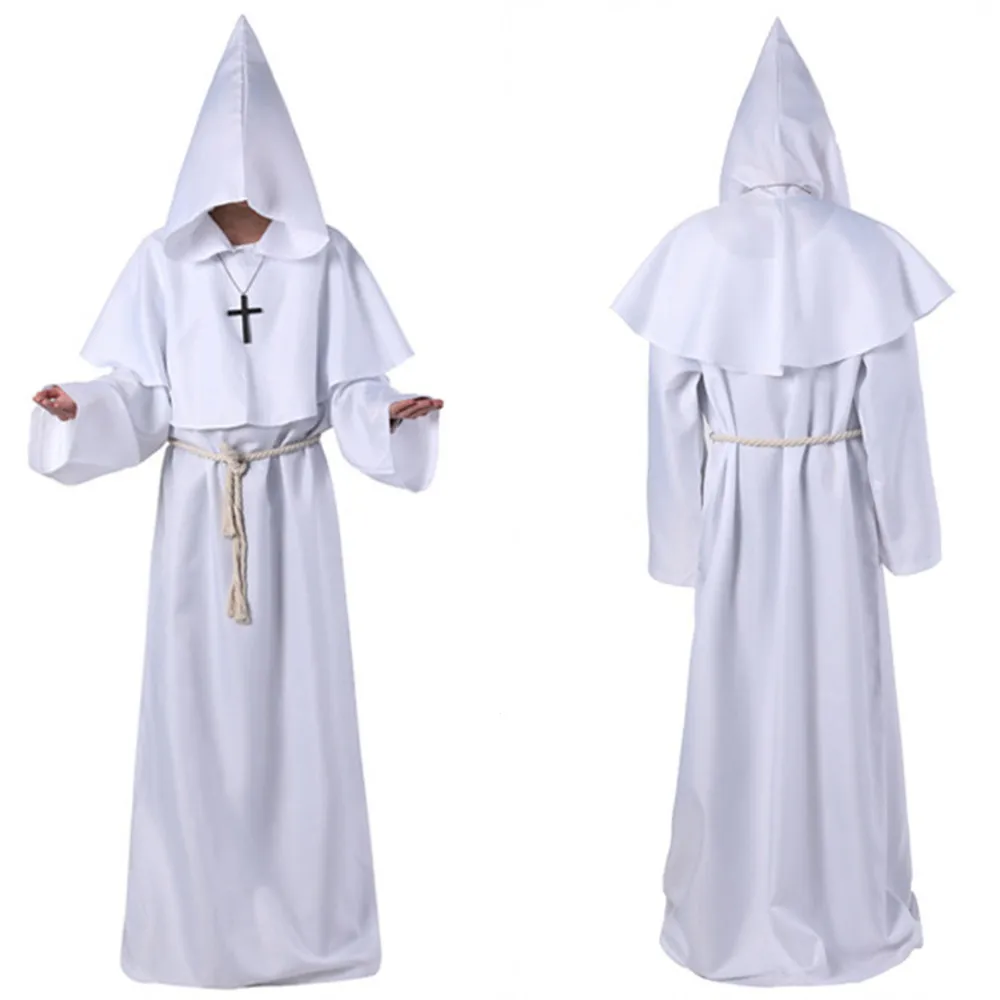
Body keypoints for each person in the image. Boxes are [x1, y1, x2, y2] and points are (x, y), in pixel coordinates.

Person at [29, 16, 440, 988]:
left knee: (302, 708)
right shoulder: (160, 263)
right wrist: (78, 409)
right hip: (197, 510)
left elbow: (351, 389)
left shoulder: (327, 258)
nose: (241, 184)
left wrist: (388, 413)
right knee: (194, 715)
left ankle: (311, 926)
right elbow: (138, 398)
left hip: (292, 503)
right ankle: (195, 930)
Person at [612, 19, 950, 986]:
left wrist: (679, 544)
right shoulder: (867, 252)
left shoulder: (690, 253)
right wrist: (908, 538)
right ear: (823, 145)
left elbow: (668, 417)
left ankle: (729, 909)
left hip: (737, 502)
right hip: (835, 500)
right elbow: (896, 414)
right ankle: (846, 905)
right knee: (842, 691)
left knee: (735, 690)